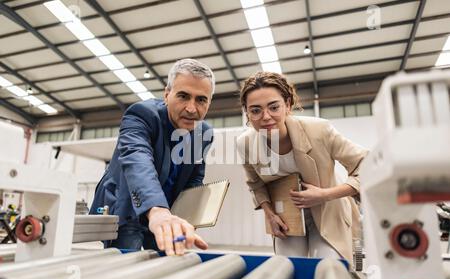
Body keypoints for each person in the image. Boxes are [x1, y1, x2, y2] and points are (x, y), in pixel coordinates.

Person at [237, 71, 368, 264]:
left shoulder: (319, 130)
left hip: (327, 211)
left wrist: (324, 194)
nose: (265, 117)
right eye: (255, 110)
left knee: (325, 269)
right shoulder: (245, 143)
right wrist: (270, 215)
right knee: (288, 270)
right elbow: (255, 184)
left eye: (274, 107)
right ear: (247, 113)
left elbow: (365, 166)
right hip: (288, 220)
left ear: (287, 105)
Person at [89, 59, 215, 256]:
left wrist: (189, 215)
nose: (192, 108)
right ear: (167, 94)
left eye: (201, 100)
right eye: (183, 96)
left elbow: (194, 178)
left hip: (166, 212)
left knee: (165, 259)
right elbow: (137, 160)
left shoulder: (203, 133)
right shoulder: (142, 115)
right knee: (126, 262)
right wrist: (156, 210)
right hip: (128, 203)